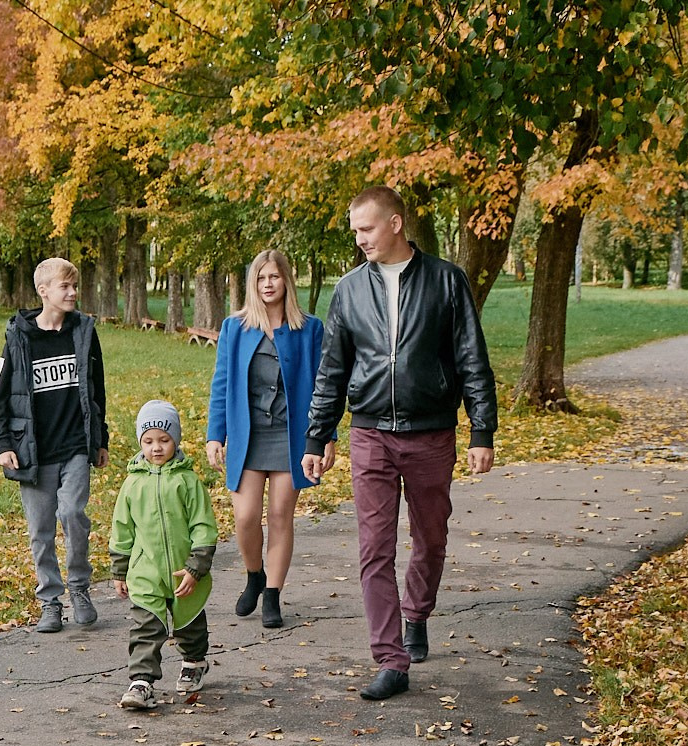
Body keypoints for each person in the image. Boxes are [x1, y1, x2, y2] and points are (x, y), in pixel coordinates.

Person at [303, 186, 497, 702]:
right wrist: (318, 433)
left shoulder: (446, 280)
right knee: (374, 547)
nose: (359, 238)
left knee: (430, 540)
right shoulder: (348, 290)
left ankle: (417, 613)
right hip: (370, 435)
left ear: (395, 223)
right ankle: (390, 658)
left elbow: (471, 357)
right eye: (354, 231)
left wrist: (482, 429)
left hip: (431, 432)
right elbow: (332, 370)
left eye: (365, 229)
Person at [0, 257, 110, 634]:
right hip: (34, 453)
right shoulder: (18, 336)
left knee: (73, 514)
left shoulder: (83, 332)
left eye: (75, 286)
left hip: (75, 446)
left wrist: (101, 439)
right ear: (44, 291)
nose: (73, 292)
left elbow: (97, 390)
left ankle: (79, 588)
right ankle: (50, 602)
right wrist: (2, 444)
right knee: (40, 530)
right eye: (65, 287)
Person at [204, 249, 325, 629]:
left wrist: (324, 438)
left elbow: (325, 388)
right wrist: (214, 435)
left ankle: (272, 593)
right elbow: (221, 384)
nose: (268, 284)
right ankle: (254, 573)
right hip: (248, 435)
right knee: (244, 517)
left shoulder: (310, 328)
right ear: (252, 285)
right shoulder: (234, 328)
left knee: (279, 516)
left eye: (274, 277)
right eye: (260, 278)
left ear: (286, 280)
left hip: (291, 436)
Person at [111, 400, 218, 710]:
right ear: (140, 443)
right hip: (147, 571)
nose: (156, 448)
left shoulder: (187, 481)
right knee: (145, 627)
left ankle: (195, 662)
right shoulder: (132, 484)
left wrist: (196, 567)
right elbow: (122, 529)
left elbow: (203, 524)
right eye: (148, 441)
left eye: (164, 440)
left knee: (190, 625)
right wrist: (119, 570)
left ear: (176, 441)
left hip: (185, 572)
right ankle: (141, 683)